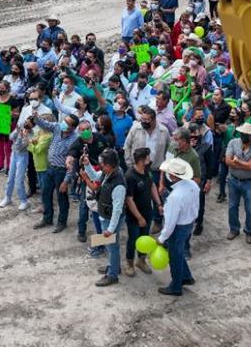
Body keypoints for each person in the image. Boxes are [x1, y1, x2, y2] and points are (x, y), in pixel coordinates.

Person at [81, 148, 127, 287]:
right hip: (105, 216)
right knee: (112, 245)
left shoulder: (118, 184)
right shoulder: (108, 174)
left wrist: (110, 229)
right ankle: (114, 266)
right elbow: (95, 176)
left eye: (103, 164)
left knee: (112, 246)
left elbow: (117, 209)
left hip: (110, 219)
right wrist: (87, 164)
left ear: (110, 165)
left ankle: (112, 275)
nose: (101, 166)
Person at [156, 157, 199, 296]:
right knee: (179, 252)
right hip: (189, 223)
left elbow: (170, 224)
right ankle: (186, 276)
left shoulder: (176, 196)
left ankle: (176, 287)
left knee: (174, 257)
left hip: (178, 228)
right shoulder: (193, 185)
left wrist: (161, 238)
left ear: (173, 176)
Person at [33, 113, 81, 233]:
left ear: (72, 127)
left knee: (61, 198)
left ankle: (61, 222)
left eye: (67, 123)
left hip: (62, 172)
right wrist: (35, 117)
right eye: (64, 120)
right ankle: (47, 218)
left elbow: (72, 164)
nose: (63, 123)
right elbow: (44, 123)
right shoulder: (58, 127)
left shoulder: (75, 139)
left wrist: (66, 181)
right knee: (45, 193)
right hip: (50, 168)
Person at [124, 148, 160, 276]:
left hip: (147, 212)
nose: (150, 160)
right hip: (134, 216)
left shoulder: (147, 170)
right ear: (141, 161)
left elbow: (152, 186)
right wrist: (139, 218)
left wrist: (158, 204)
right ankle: (129, 264)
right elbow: (129, 200)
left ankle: (141, 260)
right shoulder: (130, 176)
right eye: (147, 158)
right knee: (133, 239)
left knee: (144, 238)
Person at [224, 122, 251, 243]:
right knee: (232, 206)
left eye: (248, 134)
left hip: (249, 183)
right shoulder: (233, 143)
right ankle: (234, 229)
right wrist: (245, 164)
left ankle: (249, 232)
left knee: (250, 209)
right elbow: (228, 161)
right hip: (233, 180)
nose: (245, 135)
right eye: (243, 133)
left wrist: (237, 162)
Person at [1, 115, 32, 210]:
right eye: (26, 122)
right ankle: (7, 197)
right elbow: (10, 137)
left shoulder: (31, 134)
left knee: (19, 180)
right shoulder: (20, 128)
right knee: (10, 177)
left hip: (22, 156)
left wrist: (23, 136)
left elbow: (19, 146)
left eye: (28, 123)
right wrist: (17, 131)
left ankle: (24, 201)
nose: (26, 124)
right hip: (14, 154)